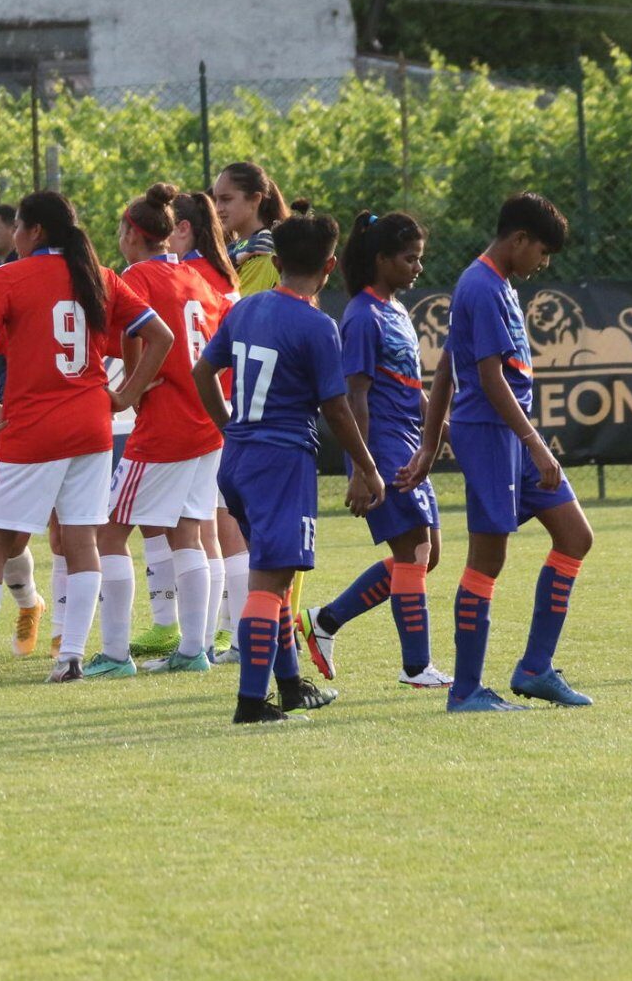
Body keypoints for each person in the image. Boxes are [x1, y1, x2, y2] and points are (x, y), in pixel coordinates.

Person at [0, 191, 173, 686]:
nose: (14, 236)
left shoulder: (8, 277)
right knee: (82, 540)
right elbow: (160, 336)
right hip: (91, 429)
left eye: (18, 227)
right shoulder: (100, 277)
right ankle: (72, 658)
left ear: (34, 231)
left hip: (33, 430)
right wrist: (124, 395)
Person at [194, 202, 385, 723]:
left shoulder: (244, 309)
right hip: (281, 460)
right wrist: (367, 468)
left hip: (238, 457)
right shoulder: (318, 326)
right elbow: (337, 407)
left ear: (275, 262)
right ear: (329, 266)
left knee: (271, 575)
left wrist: (229, 426)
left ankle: (290, 685)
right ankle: (252, 703)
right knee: (270, 582)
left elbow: (202, 371)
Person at [407, 193, 595, 713]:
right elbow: (488, 379)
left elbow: (445, 366)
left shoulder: (498, 284)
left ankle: (535, 668)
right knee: (487, 560)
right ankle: (465, 691)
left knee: (575, 536)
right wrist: (535, 443)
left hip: (509, 435)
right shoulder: (482, 285)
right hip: (492, 435)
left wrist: (429, 443)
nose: (544, 263)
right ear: (519, 240)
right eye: (542, 252)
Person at [300, 212, 452, 690]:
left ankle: (324, 621)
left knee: (427, 557)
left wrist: (438, 427)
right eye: (410, 259)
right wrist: (362, 470)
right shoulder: (362, 316)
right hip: (382, 446)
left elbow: (409, 384)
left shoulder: (396, 311)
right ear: (382, 259)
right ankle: (416, 666)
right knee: (413, 554)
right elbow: (355, 395)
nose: (417, 268)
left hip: (407, 442)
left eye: (419, 259)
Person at [93, 184, 226, 677]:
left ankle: (113, 654)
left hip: (166, 422)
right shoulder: (196, 276)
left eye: (121, 230)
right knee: (186, 530)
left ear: (133, 234)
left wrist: (129, 389)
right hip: (207, 419)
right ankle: (194, 650)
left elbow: (134, 333)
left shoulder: (136, 277)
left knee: (108, 531)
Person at [169, 189, 245, 661]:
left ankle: (228, 637)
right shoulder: (225, 275)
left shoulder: (186, 277)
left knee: (212, 526)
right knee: (220, 525)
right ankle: (229, 633)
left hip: (206, 411)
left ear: (184, 228)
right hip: (232, 409)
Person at [0, 202, 50, 653]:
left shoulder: (52, 273)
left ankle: (67, 638)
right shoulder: (2, 276)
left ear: (22, 230)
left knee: (70, 533)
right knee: (8, 535)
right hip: (16, 414)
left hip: (60, 413)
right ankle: (29, 604)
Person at [212, 161, 288, 298]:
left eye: (226, 199)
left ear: (255, 199)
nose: (217, 209)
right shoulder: (237, 248)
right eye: (216, 200)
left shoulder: (263, 250)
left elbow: (241, 313)